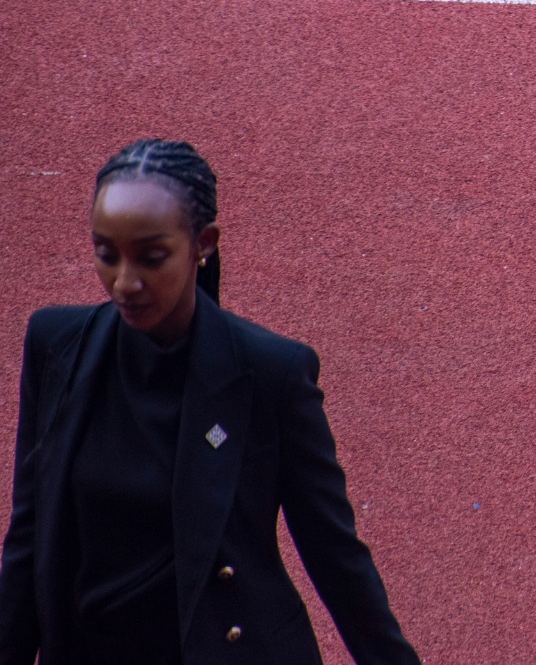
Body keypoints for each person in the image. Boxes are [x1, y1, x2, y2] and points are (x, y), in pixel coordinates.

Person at [2, 140, 421, 665]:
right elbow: (28, 539)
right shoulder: (56, 345)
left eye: (152, 257)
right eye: (106, 254)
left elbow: (334, 555)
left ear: (203, 244)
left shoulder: (271, 373)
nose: (125, 282)